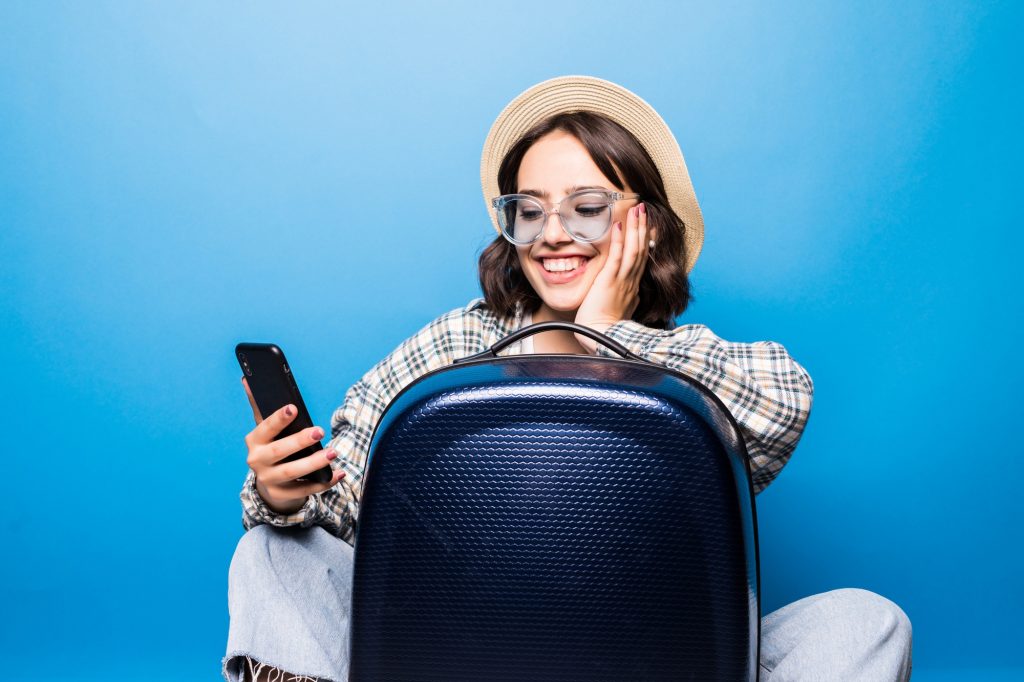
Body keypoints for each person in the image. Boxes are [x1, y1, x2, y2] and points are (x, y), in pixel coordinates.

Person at [224, 76, 912, 682]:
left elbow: (781, 404)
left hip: (656, 655)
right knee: (271, 553)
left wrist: (608, 335)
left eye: (587, 207)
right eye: (530, 209)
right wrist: (287, 489)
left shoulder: (687, 364)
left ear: (646, 226)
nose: (553, 232)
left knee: (865, 622)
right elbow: (347, 497)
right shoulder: (456, 344)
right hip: (450, 649)